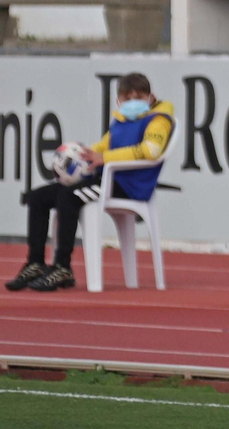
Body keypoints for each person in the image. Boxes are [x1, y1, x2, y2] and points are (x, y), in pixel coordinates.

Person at [7, 74, 173, 293]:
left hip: (129, 187)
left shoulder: (158, 120)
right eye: (127, 98)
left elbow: (151, 151)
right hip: (106, 180)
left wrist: (104, 159)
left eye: (139, 97)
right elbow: (101, 148)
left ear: (151, 98)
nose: (133, 102)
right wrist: (79, 158)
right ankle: (35, 263)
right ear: (118, 102)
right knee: (38, 197)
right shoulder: (121, 121)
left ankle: (62, 266)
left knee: (69, 196)